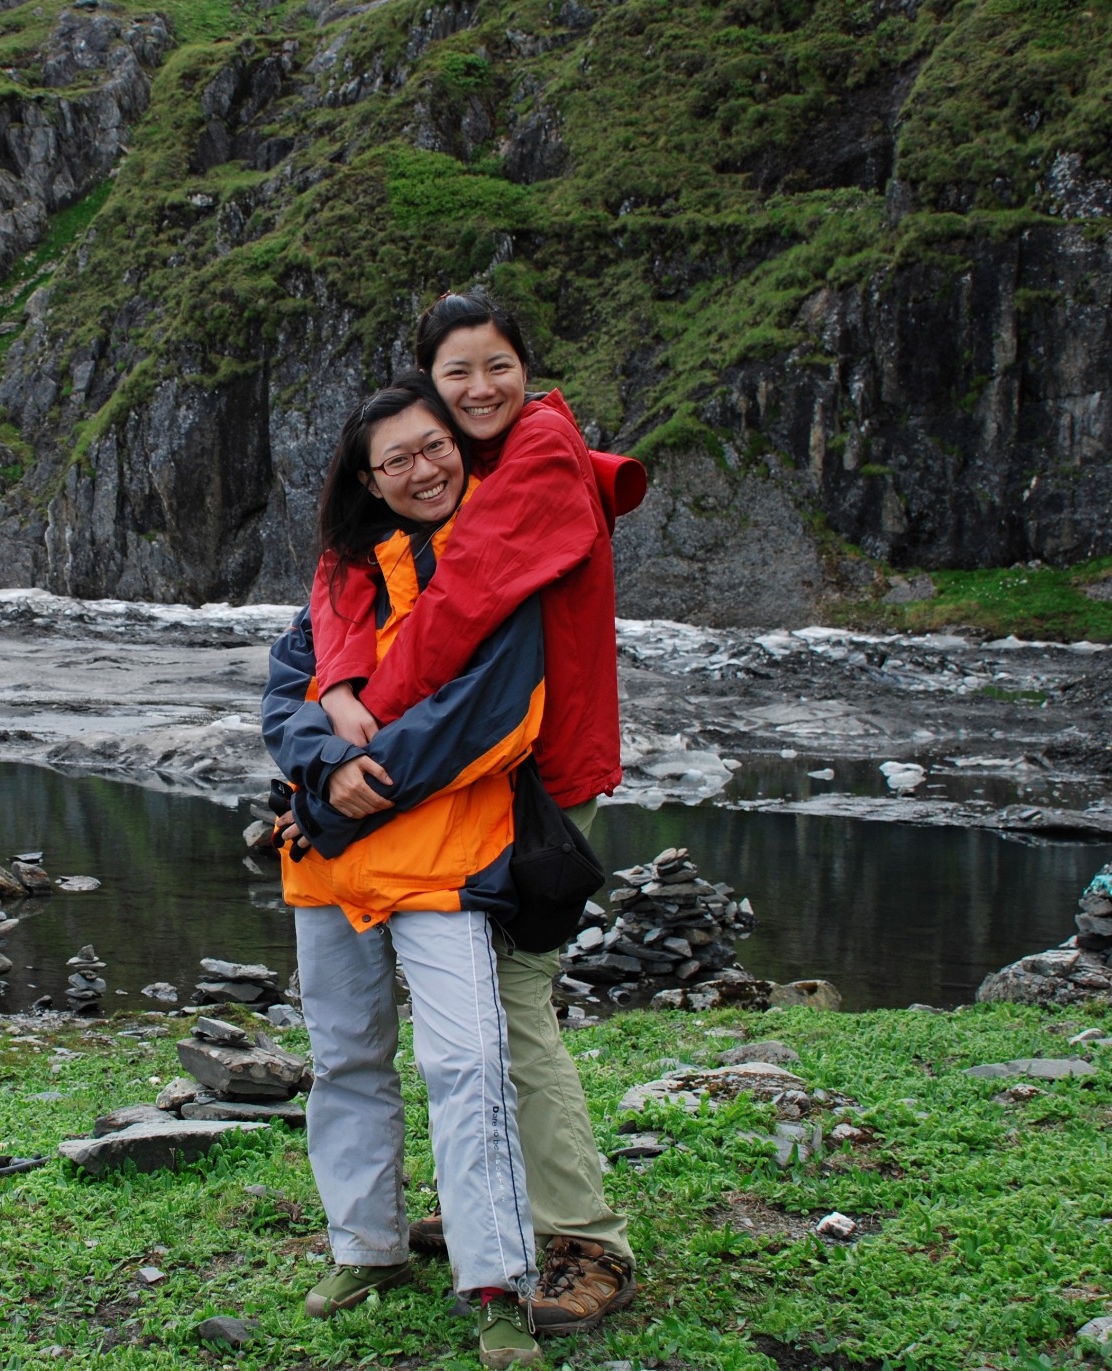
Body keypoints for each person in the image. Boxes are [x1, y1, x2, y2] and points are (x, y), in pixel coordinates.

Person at [306, 292, 643, 1337]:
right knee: (498, 1007)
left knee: (511, 1008)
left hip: (536, 771)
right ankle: (492, 1205)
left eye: (495, 364)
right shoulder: (478, 471)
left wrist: (361, 732)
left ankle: (586, 1240)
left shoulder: (534, 454)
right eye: (458, 373)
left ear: (526, 368)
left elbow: (462, 611)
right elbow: (338, 591)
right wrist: (327, 691)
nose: (479, 387)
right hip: (506, 770)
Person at [264, 374, 552, 1369]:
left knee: (466, 1065)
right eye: (397, 460)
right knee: (345, 1059)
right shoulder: (339, 579)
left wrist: (353, 783)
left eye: (432, 447)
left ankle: (497, 1284)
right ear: (369, 481)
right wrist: (322, 762)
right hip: (330, 873)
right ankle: (366, 1248)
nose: (421, 469)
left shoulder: (494, 560)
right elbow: (281, 699)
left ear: (457, 448)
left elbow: (497, 711)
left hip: (444, 860)